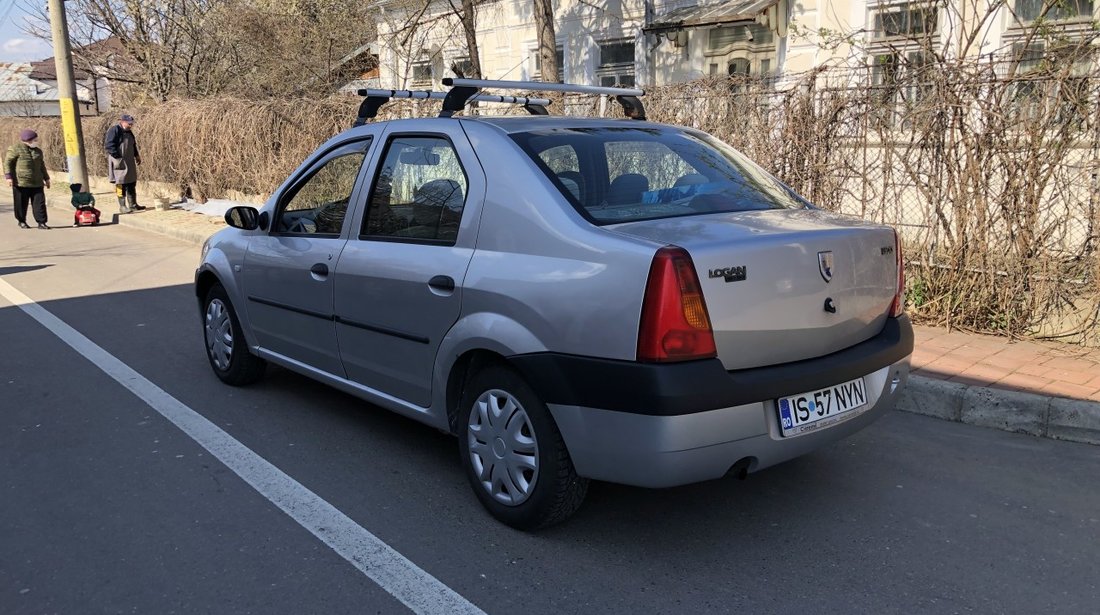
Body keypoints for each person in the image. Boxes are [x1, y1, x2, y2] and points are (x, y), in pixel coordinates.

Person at [4, 128, 51, 229]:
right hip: (21, 182)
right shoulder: (15, 148)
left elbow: (42, 165)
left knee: (40, 204)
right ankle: (21, 221)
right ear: (28, 140)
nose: (36, 142)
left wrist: (46, 178)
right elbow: (8, 163)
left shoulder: (38, 151)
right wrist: (8, 177)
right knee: (21, 203)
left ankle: (41, 222)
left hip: (37, 182)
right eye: (34, 140)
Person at [104, 113, 145, 213]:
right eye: (129, 124)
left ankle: (133, 205)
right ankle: (122, 206)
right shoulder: (114, 130)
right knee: (121, 183)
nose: (131, 125)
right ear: (122, 122)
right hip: (119, 161)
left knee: (131, 182)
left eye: (132, 124)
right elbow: (109, 145)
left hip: (129, 160)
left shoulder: (129, 132)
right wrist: (118, 157)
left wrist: (136, 155)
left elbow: (133, 145)